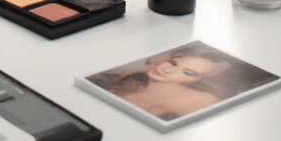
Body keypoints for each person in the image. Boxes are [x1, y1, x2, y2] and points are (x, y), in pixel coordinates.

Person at [89, 45, 237, 121]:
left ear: (197, 80)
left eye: (188, 73)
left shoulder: (204, 101)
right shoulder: (114, 80)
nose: (167, 70)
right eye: (173, 63)